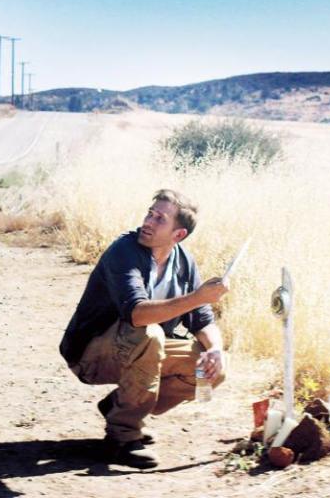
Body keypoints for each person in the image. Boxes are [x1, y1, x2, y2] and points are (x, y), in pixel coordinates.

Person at [59, 189, 229, 469]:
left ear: (178, 235)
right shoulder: (124, 251)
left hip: (139, 351)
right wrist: (197, 296)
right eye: (150, 213)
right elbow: (136, 314)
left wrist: (216, 350)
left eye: (159, 218)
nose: (147, 222)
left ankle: (119, 406)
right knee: (150, 334)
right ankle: (122, 437)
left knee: (212, 368)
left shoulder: (184, 263)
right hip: (91, 354)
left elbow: (203, 321)